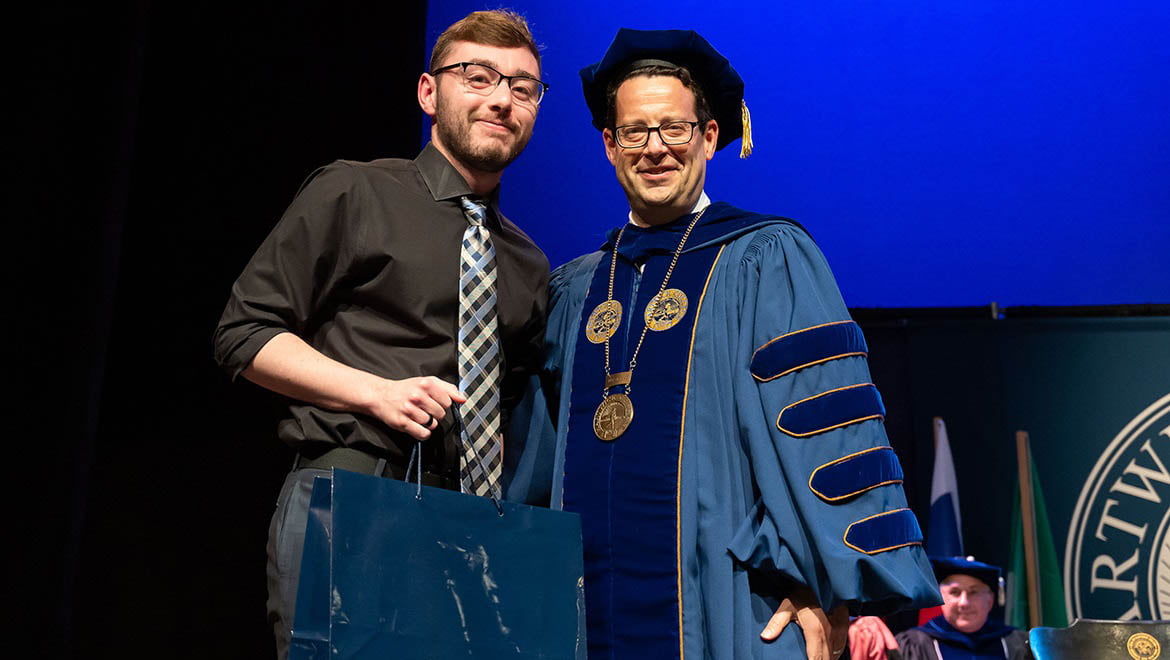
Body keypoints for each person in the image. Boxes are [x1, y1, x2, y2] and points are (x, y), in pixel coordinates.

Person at [505, 28, 940, 660]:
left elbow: (831, 431)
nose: (655, 149)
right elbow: (535, 469)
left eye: (674, 129)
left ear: (709, 136)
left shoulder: (767, 259)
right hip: (580, 616)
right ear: (609, 145)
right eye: (635, 131)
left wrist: (830, 591)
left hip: (733, 602)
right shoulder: (574, 289)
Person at [212, 10, 550, 658]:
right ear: (429, 91)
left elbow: (516, 404)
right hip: (357, 486)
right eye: (478, 76)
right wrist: (375, 393)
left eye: (522, 87)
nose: (501, 99)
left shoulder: (527, 262)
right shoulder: (355, 190)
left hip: (472, 522)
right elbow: (244, 332)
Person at [849, 557, 1030, 660]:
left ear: (990, 600)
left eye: (974, 592)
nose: (964, 602)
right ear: (941, 598)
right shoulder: (914, 645)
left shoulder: (1015, 643)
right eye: (955, 592)